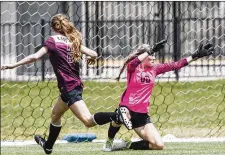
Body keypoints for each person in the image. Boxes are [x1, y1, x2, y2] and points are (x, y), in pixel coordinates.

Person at [1, 14, 130, 154]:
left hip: (69, 88)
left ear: (53, 27)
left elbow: (35, 56)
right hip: (72, 87)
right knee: (56, 114)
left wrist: (13, 65)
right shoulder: (72, 40)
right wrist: (91, 59)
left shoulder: (52, 41)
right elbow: (93, 53)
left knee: (87, 121)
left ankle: (116, 116)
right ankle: (48, 146)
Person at [102, 41, 215, 151]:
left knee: (158, 145)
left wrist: (195, 55)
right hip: (127, 109)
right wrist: (150, 50)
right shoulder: (133, 68)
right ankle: (109, 140)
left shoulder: (154, 69)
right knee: (121, 115)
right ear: (143, 56)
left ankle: (127, 145)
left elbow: (176, 65)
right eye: (151, 56)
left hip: (141, 116)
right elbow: (134, 62)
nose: (154, 58)